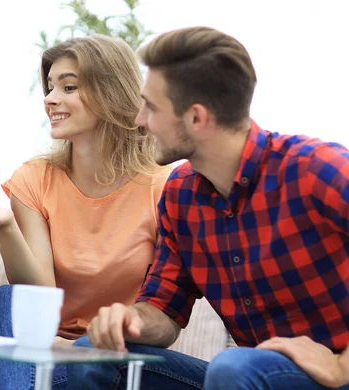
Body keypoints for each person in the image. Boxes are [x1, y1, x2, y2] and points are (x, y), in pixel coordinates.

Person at [67, 26, 349, 390]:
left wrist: (343, 365)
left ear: (197, 118)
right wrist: (129, 318)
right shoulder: (180, 196)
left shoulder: (318, 169)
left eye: (151, 107)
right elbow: (163, 313)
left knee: (234, 367)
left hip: (323, 376)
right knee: (94, 353)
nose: (139, 120)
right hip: (250, 377)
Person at [0, 35, 170, 389]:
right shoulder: (34, 180)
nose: (50, 99)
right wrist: (5, 228)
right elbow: (40, 297)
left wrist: (78, 348)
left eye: (69, 87)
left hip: (109, 360)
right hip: (40, 357)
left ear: (112, 91)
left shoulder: (163, 188)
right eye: (50, 87)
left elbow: (160, 314)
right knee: (8, 298)